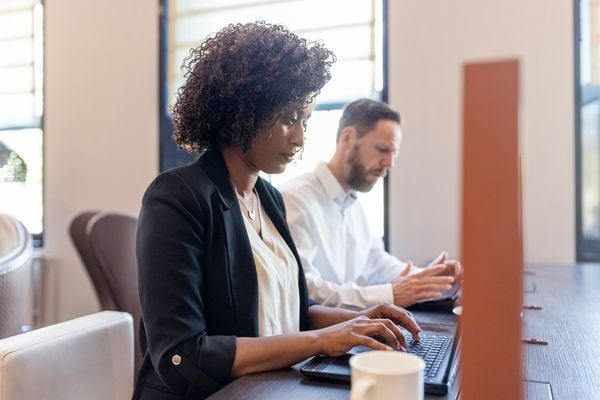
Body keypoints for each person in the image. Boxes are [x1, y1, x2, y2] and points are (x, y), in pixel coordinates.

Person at [133, 23, 422, 400]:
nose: (300, 137)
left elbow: (296, 310)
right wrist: (322, 339)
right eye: (289, 118)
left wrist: (363, 320)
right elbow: (182, 355)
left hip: (271, 387)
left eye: (305, 119)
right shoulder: (177, 197)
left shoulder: (266, 196)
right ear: (243, 112)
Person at [280, 99, 461, 310]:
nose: (389, 163)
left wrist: (433, 278)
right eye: (382, 149)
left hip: (348, 331)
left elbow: (378, 264)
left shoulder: (355, 208)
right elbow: (304, 289)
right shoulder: (294, 199)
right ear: (348, 138)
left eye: (394, 153)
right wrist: (389, 295)